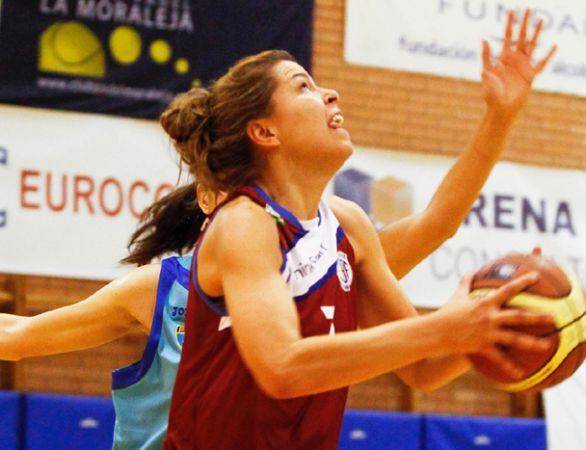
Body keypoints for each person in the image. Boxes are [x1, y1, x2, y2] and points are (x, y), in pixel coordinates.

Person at [158, 9, 557, 449]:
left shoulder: (347, 225)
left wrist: (503, 326)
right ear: (264, 131)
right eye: (303, 86)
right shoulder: (244, 224)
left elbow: (424, 369)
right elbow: (283, 367)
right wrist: (445, 327)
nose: (330, 93)